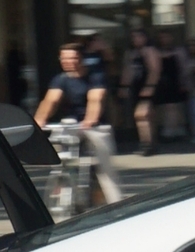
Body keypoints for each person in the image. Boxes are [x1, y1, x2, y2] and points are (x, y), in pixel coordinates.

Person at [33, 42, 125, 204]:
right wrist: (39, 120)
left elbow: (95, 99)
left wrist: (90, 119)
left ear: (82, 59)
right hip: (71, 124)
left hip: (95, 125)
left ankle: (116, 203)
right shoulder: (60, 79)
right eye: (64, 58)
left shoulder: (96, 76)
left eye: (73, 58)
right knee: (61, 154)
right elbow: (50, 101)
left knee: (105, 168)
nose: (68, 62)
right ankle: (62, 182)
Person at [124, 25, 161, 156]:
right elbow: (127, 71)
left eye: (139, 36)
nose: (136, 39)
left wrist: (150, 86)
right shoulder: (131, 53)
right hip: (136, 87)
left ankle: (148, 144)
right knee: (142, 116)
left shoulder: (149, 50)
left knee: (142, 114)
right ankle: (147, 142)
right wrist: (124, 86)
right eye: (133, 37)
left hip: (147, 86)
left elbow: (155, 70)